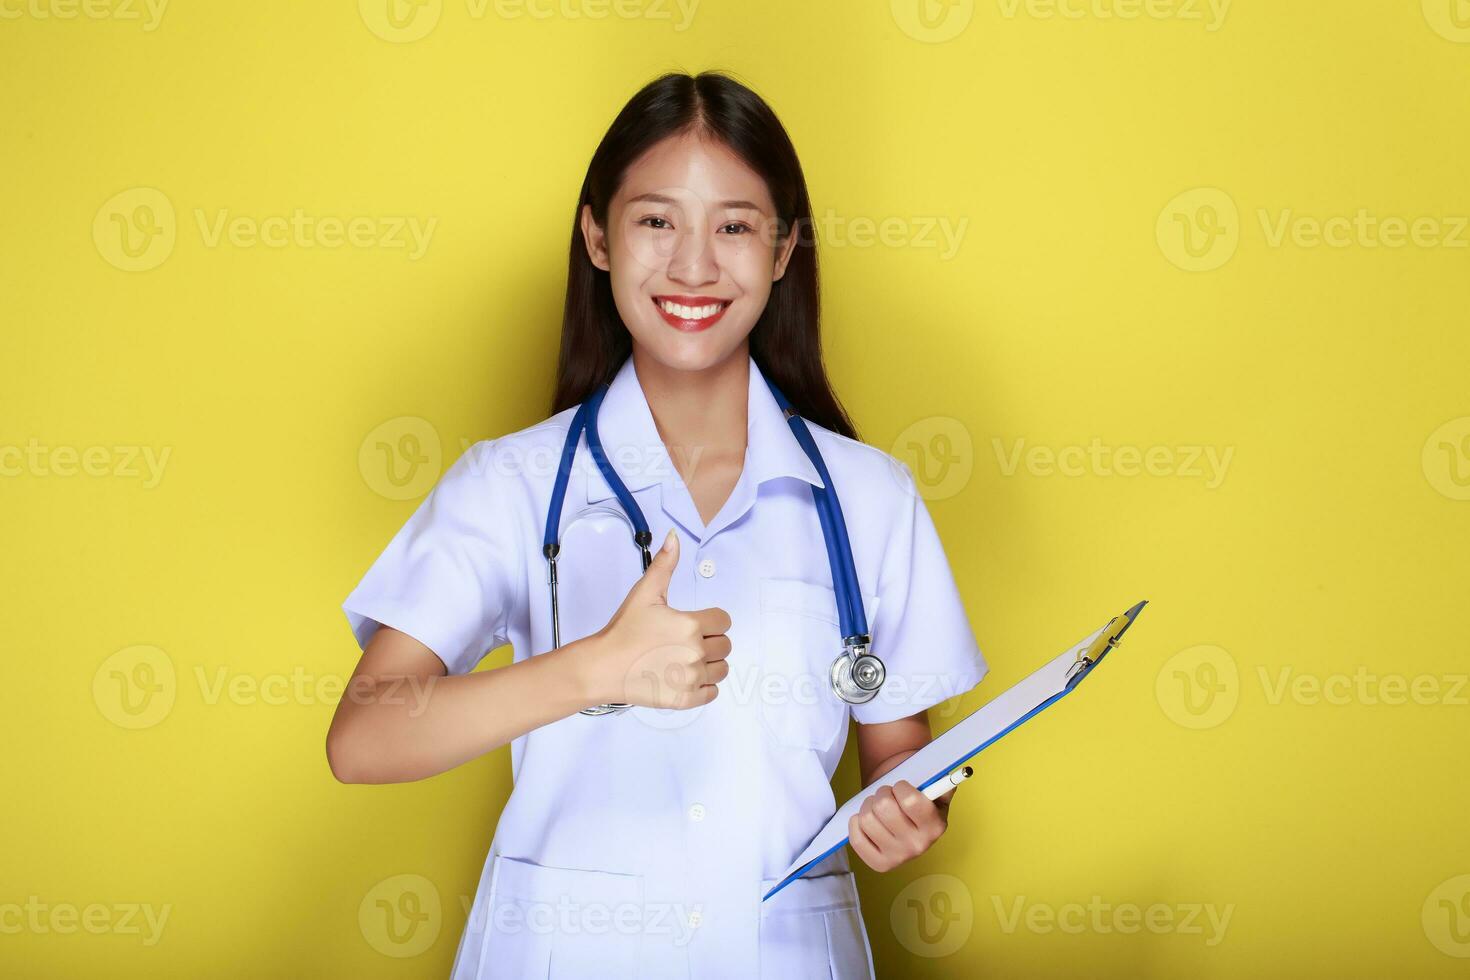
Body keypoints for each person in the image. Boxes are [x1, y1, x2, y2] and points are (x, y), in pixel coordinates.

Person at [326, 69, 988, 979]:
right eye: (655, 221)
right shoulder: (511, 484)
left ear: (785, 247)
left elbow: (900, 749)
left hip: (785, 953)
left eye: (735, 226)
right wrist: (596, 668)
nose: (693, 265)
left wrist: (905, 809)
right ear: (597, 236)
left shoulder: (870, 498)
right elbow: (364, 736)